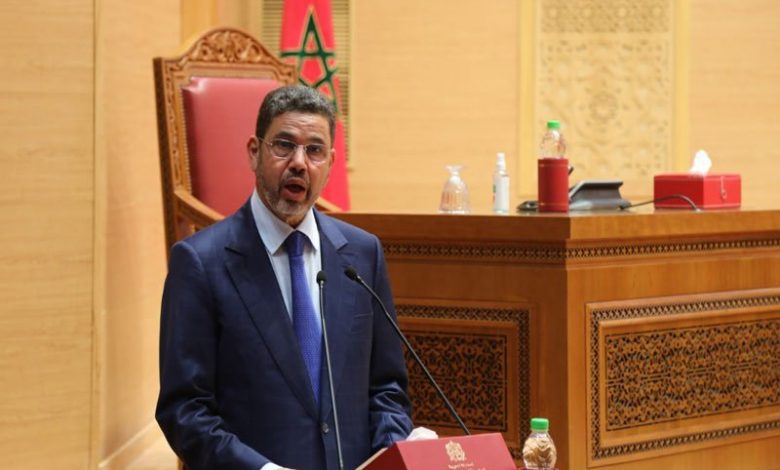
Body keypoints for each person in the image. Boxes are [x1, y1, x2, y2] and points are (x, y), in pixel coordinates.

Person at [156, 85, 413, 469]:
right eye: (284, 145)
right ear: (254, 152)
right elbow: (184, 409)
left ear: (330, 163)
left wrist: (388, 455)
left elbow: (387, 388)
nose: (299, 163)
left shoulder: (362, 255)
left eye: (315, 150)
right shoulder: (200, 263)